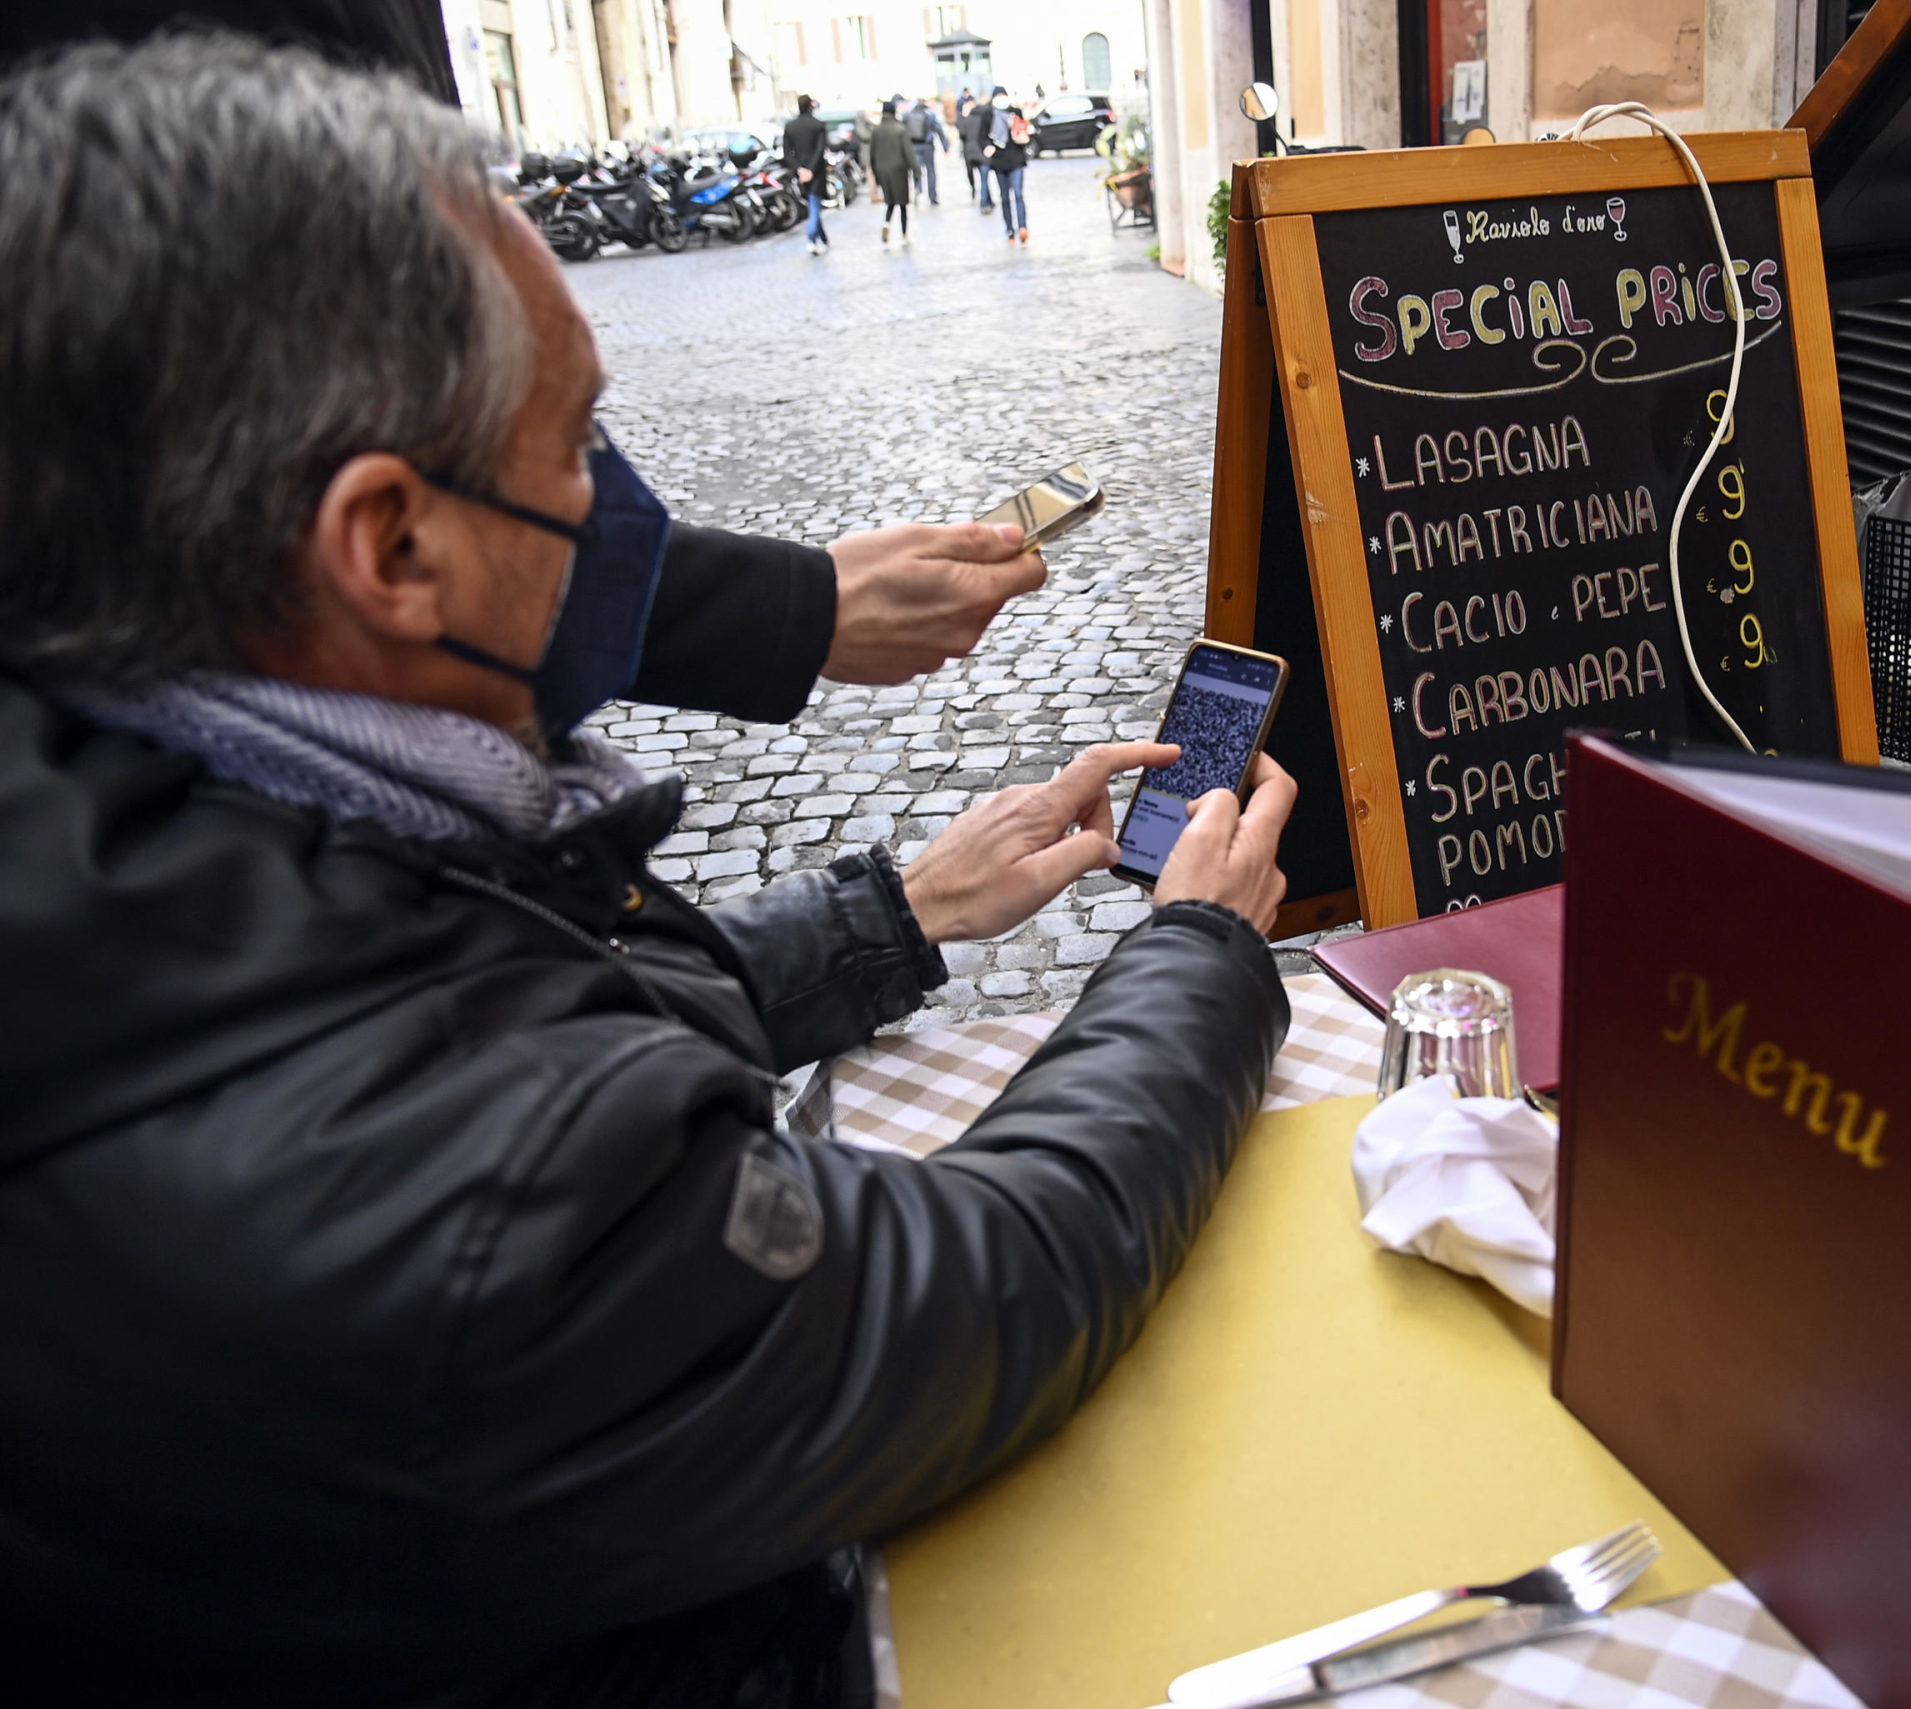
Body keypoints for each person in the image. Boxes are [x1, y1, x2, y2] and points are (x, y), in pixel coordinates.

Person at [0, 34, 1298, 1709]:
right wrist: (1194, 946)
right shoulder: (444, 1197)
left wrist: (899, 908)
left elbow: (484, 1022)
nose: (621, 509)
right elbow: (986, 1288)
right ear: (391, 545)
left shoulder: (133, 778)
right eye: (578, 438)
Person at [983, 83, 1030, 243]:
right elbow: (982, 136)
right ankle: (1010, 230)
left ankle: (1023, 227)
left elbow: (1024, 130)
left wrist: (1022, 136)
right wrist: (987, 147)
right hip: (999, 162)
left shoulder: (1015, 112)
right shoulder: (988, 115)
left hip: (1016, 159)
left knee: (1017, 194)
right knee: (1004, 197)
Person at [782, 91, 828, 254]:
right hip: (815, 171)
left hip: (801, 171)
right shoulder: (818, 125)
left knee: (813, 203)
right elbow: (820, 149)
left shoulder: (791, 126)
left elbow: (787, 152)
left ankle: (823, 238)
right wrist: (810, 169)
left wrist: (799, 169)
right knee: (814, 205)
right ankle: (811, 238)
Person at [869, 93, 916, 242]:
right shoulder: (899, 129)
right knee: (902, 204)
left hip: (882, 171)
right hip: (899, 170)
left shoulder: (876, 131)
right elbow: (908, 153)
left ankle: (886, 223)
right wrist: (916, 170)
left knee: (890, 203)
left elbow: (872, 155)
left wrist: (876, 174)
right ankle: (903, 234)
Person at [902, 91, 950, 206]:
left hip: (914, 146)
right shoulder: (930, 114)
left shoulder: (907, 115)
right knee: (931, 171)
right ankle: (932, 196)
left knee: (916, 170)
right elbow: (939, 130)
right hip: (928, 146)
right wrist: (945, 147)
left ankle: (918, 188)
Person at [955, 89, 982, 205]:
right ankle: (974, 189)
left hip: (979, 148)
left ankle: (985, 196)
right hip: (968, 150)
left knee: (983, 173)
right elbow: (961, 133)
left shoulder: (980, 115)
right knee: (970, 172)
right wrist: (964, 117)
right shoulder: (963, 118)